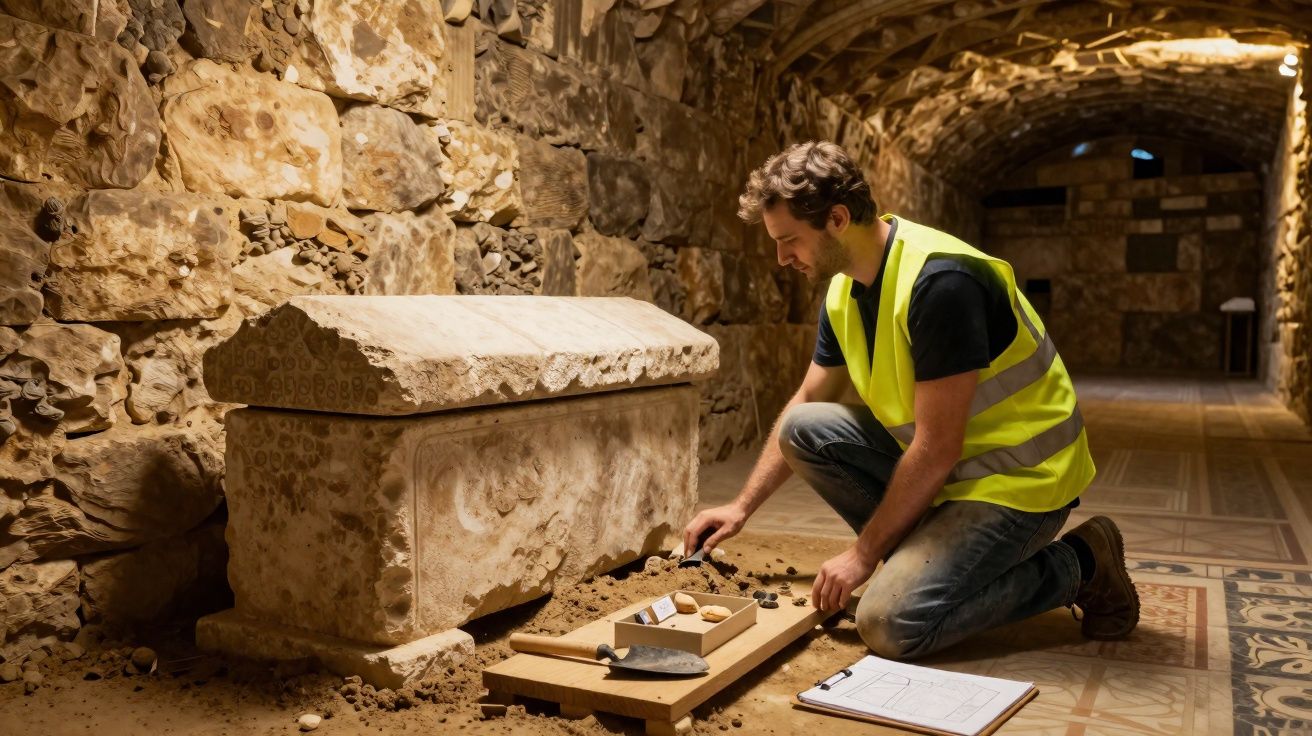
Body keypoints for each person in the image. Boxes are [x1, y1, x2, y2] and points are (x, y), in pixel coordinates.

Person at [682, 141, 1140, 659]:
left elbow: (938, 447)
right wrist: (741, 507)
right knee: (803, 427)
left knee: (891, 624)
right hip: (954, 472)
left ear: (836, 219)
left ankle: (1081, 564)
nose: (782, 258)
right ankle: (931, 553)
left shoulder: (942, 282)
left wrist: (862, 554)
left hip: (1020, 483)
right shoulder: (843, 290)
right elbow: (812, 395)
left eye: (789, 241)